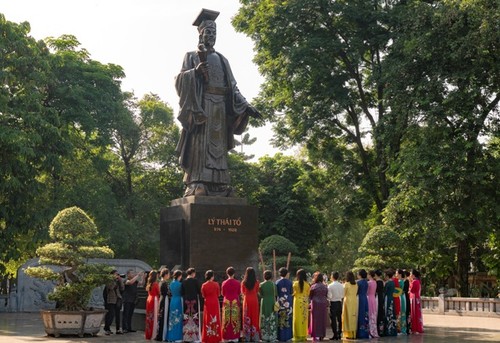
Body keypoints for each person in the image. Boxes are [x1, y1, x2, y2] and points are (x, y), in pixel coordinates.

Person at [174, 8, 262, 197]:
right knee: (201, 146)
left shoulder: (222, 60)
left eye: (215, 33)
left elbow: (233, 87)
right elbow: (180, 80)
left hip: (221, 108)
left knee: (218, 148)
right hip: (201, 107)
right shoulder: (191, 56)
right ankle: (197, 182)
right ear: (201, 33)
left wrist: (246, 105)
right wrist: (195, 72)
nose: (212, 36)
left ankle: (219, 185)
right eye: (209, 32)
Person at [221, 266, 241, 342]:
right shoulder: (237, 282)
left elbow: (223, 293)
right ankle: (235, 337)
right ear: (234, 273)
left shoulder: (224, 283)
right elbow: (239, 292)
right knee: (235, 318)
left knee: (226, 319)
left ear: (227, 274)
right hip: (235, 301)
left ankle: (226, 337)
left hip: (226, 301)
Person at [201, 270, 222, 343]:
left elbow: (203, 295)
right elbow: (219, 294)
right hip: (215, 302)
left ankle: (208, 336)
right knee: (216, 317)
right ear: (212, 276)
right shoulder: (216, 284)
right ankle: (216, 336)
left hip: (208, 302)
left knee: (207, 318)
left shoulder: (204, 285)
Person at [182, 268, 202, 342]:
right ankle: (194, 337)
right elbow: (199, 291)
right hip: (194, 301)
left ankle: (186, 336)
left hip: (186, 301)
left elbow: (182, 292)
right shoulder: (195, 281)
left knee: (186, 318)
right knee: (194, 317)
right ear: (193, 273)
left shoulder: (184, 281)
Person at [241, 267, 260, 341]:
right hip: (254, 300)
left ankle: (247, 336)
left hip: (246, 300)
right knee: (255, 317)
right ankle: (255, 336)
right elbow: (257, 291)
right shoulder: (257, 282)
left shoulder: (243, 282)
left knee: (246, 316)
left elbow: (242, 292)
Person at [104, 269, 125, 335]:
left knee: (118, 315)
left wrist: (120, 280)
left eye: (117, 274)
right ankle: (107, 328)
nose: (117, 275)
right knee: (111, 314)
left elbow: (122, 288)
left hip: (118, 299)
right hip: (111, 300)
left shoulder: (118, 281)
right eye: (115, 274)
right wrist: (114, 280)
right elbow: (111, 287)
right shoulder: (109, 281)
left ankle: (118, 329)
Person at [309, 271, 328, 342]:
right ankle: (322, 335)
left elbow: (310, 296)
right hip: (323, 303)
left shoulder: (313, 286)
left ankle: (315, 335)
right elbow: (326, 294)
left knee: (315, 319)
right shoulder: (325, 286)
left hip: (315, 303)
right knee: (322, 319)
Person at [122, 269, 143, 334]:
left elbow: (141, 283)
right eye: (132, 273)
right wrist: (137, 275)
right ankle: (124, 328)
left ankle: (129, 328)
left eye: (133, 273)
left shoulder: (135, 281)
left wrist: (143, 277)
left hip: (133, 300)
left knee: (130, 315)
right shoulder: (126, 280)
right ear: (128, 274)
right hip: (127, 300)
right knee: (126, 314)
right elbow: (130, 282)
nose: (133, 274)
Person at [292, 268, 310, 341]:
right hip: (304, 301)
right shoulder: (307, 284)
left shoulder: (295, 284)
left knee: (297, 318)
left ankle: (297, 335)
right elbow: (308, 294)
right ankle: (304, 335)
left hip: (297, 302)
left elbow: (294, 293)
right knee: (304, 318)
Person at [259, 270, 277, 342]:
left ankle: (264, 336)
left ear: (264, 276)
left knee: (264, 317)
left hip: (264, 301)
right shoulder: (273, 285)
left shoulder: (261, 284)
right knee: (272, 317)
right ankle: (272, 336)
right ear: (271, 276)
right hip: (272, 301)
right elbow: (275, 294)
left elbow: (260, 295)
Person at [276, 267, 293, 342]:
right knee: (288, 317)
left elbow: (276, 294)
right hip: (288, 301)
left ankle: (280, 336)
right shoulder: (290, 282)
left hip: (280, 301)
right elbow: (291, 292)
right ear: (286, 274)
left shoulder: (277, 282)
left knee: (280, 318)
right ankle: (288, 336)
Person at [167, 270, 184, 342]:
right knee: (178, 318)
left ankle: (171, 336)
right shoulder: (180, 284)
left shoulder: (171, 283)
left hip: (172, 300)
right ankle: (177, 336)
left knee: (172, 319)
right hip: (178, 300)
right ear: (179, 276)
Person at [342, 271, 358, 340]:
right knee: (353, 317)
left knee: (347, 317)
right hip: (354, 301)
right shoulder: (356, 284)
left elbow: (343, 294)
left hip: (347, 301)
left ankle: (348, 333)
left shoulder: (346, 284)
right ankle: (353, 333)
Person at [327, 271, 343, 341]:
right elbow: (342, 295)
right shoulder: (341, 285)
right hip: (339, 302)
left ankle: (335, 334)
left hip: (333, 303)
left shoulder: (330, 285)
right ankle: (339, 333)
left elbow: (329, 296)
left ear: (332, 276)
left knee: (333, 319)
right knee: (339, 319)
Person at [145, 270, 160, 340]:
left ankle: (148, 333)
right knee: (154, 317)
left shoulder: (149, 284)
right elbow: (158, 293)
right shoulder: (156, 284)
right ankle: (153, 334)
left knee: (149, 317)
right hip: (154, 300)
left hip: (149, 299)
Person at [157, 268, 171, 341]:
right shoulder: (164, 283)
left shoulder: (161, 282)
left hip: (162, 299)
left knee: (162, 317)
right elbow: (168, 292)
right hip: (165, 299)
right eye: (168, 274)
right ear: (165, 275)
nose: (169, 276)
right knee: (164, 317)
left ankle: (161, 334)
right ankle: (163, 335)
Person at [356, 269, 369, 339]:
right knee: (365, 314)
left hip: (360, 299)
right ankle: (365, 331)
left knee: (360, 314)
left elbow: (356, 291)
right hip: (365, 298)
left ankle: (360, 332)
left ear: (360, 275)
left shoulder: (358, 282)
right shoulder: (366, 282)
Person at [384, 269, 397, 336]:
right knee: (392, 313)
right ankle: (393, 329)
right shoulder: (393, 283)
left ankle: (388, 330)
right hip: (392, 298)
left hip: (387, 299)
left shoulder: (387, 283)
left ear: (387, 276)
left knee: (387, 313)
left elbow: (385, 292)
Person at [409, 269, 423, 334]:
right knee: (417, 313)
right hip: (417, 297)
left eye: (411, 274)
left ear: (413, 275)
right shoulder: (418, 281)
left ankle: (414, 329)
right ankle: (418, 328)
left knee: (414, 313)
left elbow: (411, 290)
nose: (410, 275)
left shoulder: (414, 281)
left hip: (413, 298)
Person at [367, 271, 379, 338]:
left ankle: (370, 331)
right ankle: (374, 330)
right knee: (373, 314)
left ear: (369, 275)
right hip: (373, 298)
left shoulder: (369, 283)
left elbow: (367, 292)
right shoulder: (375, 282)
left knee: (369, 313)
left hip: (369, 298)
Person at [374, 270, 385, 336]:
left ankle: (378, 328)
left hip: (377, 297)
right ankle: (381, 329)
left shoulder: (376, 282)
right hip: (381, 297)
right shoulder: (382, 282)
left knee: (377, 312)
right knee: (381, 311)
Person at [397, 269, 407, 334]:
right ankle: (401, 329)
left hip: (400, 297)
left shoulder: (401, 281)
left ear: (400, 274)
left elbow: (399, 290)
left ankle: (402, 329)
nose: (396, 274)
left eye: (396, 273)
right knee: (401, 313)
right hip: (402, 296)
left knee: (402, 313)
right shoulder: (401, 281)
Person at [404, 270, 411, 334]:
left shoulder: (406, 281)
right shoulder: (405, 281)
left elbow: (405, 290)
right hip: (406, 297)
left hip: (405, 297)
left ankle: (407, 327)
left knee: (406, 312)